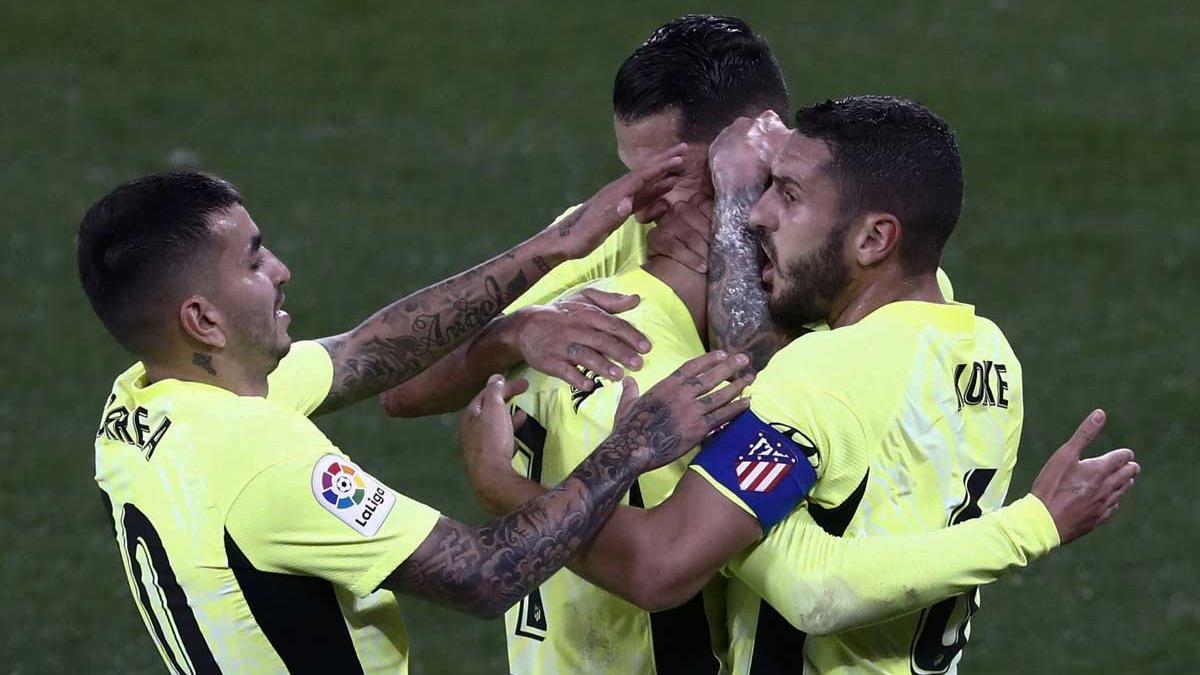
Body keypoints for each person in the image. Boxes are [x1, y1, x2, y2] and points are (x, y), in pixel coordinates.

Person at [465, 98, 1140, 674]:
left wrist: (506, 488)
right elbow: (816, 565)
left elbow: (660, 568)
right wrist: (1032, 524)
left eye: (787, 195)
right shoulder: (991, 356)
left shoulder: (821, 375)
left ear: (875, 238)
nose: (757, 216)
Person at [81, 155, 758, 674]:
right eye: (255, 261)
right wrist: (632, 446)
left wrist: (549, 252)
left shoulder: (147, 395)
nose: (282, 269)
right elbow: (484, 573)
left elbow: (363, 354)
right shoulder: (261, 459)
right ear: (201, 319)